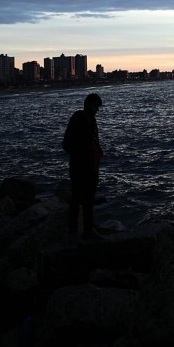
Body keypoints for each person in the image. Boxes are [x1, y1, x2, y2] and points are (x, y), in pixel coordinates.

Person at [63, 93, 105, 239]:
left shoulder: (90, 120)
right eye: (96, 107)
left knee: (86, 199)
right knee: (79, 199)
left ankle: (84, 228)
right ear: (89, 105)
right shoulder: (79, 120)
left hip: (90, 166)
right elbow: (67, 144)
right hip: (81, 167)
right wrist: (82, 155)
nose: (97, 110)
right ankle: (77, 229)